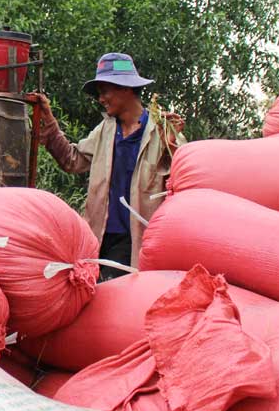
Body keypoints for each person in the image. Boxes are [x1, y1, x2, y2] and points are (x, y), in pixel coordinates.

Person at [33, 53, 185, 280]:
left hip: (137, 239)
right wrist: (49, 121)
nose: (101, 99)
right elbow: (72, 160)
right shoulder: (105, 130)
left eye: (105, 91)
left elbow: (183, 179)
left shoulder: (161, 131)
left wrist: (173, 143)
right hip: (100, 237)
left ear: (125, 88)